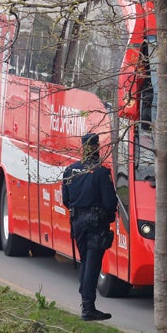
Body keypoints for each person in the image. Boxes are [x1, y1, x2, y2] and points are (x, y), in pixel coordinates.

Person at [62, 132, 118, 321]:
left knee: (86, 262)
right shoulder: (101, 172)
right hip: (95, 223)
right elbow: (110, 202)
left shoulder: (70, 170)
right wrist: (108, 217)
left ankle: (85, 300)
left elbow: (66, 200)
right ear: (96, 148)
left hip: (77, 222)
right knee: (92, 265)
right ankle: (88, 308)